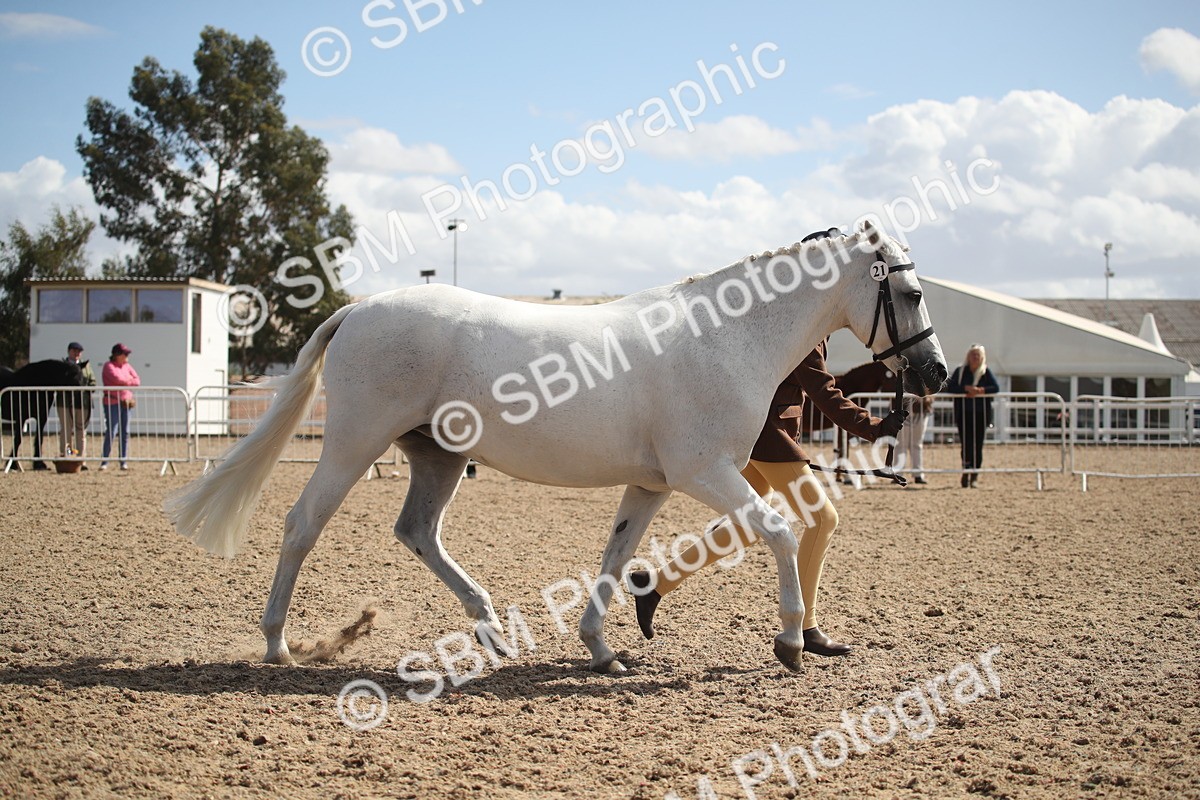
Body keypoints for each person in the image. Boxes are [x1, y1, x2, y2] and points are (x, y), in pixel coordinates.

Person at [629, 340, 908, 656]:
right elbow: (823, 391)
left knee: (748, 528)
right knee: (823, 518)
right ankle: (805, 626)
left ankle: (656, 584)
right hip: (771, 437)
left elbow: (815, 387)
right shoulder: (807, 326)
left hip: (769, 432)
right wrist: (875, 427)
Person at [947, 343, 999, 488]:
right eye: (973, 354)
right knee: (966, 443)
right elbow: (950, 387)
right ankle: (966, 470)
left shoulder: (985, 372)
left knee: (978, 444)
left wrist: (980, 390)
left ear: (982, 357)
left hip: (981, 414)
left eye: (978, 355)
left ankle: (975, 474)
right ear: (968, 356)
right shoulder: (961, 371)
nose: (975, 357)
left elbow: (995, 388)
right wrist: (965, 389)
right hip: (963, 413)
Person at [100, 343, 140, 470]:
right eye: (125, 354)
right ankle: (104, 461)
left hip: (125, 402)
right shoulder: (108, 366)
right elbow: (117, 379)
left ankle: (123, 460)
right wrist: (128, 380)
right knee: (112, 431)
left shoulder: (127, 366)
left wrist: (126, 380)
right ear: (117, 355)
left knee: (125, 432)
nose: (127, 356)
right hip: (112, 402)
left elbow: (137, 380)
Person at [57, 341, 96, 467]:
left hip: (83, 403)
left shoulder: (86, 366)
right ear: (69, 351)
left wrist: (88, 388)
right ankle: (66, 456)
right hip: (65, 402)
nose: (77, 353)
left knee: (81, 431)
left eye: (79, 351)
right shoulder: (63, 365)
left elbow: (93, 381)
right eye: (74, 351)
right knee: (66, 430)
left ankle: (80, 459)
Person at [897, 393, 934, 484]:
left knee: (917, 444)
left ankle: (918, 474)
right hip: (902, 411)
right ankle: (898, 473)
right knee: (901, 444)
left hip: (920, 410)